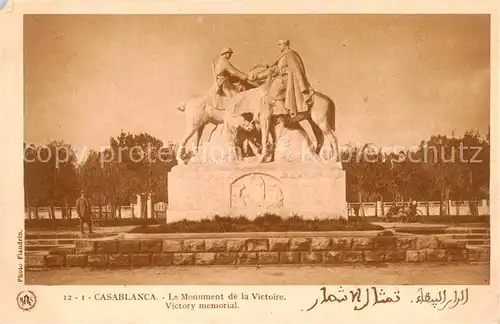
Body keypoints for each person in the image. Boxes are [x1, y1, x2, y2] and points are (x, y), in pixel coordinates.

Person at [268, 39, 314, 118]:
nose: (279, 47)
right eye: (278, 45)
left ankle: (283, 112)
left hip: (288, 78)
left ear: (285, 45)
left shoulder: (290, 54)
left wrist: (283, 71)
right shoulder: (283, 55)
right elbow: (279, 68)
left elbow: (295, 68)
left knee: (274, 91)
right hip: (283, 76)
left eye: (280, 44)